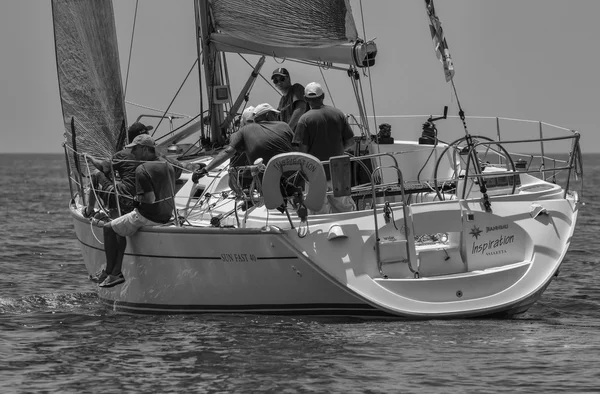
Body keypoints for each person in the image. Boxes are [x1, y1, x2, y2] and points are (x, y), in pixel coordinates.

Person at [90, 134, 178, 288]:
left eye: (135, 149)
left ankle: (112, 273)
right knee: (120, 225)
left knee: (109, 228)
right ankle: (115, 270)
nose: (132, 153)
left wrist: (137, 199)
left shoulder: (141, 169)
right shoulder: (168, 165)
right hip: (166, 215)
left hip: (147, 216)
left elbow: (149, 199)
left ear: (144, 150)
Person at [292, 82, 356, 214]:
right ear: (323, 96)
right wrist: (337, 151)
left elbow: (302, 151)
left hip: (315, 172)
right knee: (346, 210)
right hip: (338, 171)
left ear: (305, 99)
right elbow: (351, 142)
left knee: (320, 214)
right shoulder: (338, 114)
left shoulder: (304, 119)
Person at [192, 103, 294, 182]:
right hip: (293, 176)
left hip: (265, 181)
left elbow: (228, 152)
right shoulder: (284, 125)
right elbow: (298, 149)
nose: (277, 117)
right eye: (275, 114)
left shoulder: (244, 131)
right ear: (267, 115)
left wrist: (205, 170)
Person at [83, 122, 153, 218]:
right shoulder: (154, 155)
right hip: (145, 201)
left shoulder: (122, 154)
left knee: (96, 173)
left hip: (126, 202)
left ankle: (89, 210)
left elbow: (103, 167)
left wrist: (91, 158)